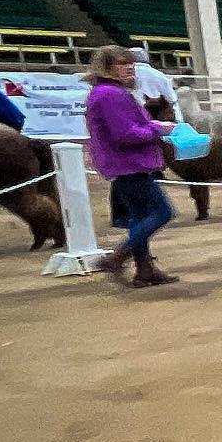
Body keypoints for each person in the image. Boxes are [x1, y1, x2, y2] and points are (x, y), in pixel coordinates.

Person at [84, 45, 178, 287]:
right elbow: (125, 134)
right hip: (131, 164)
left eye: (131, 64)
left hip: (125, 164)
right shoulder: (110, 94)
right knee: (162, 212)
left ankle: (144, 269)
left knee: (140, 216)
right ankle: (118, 257)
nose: (129, 68)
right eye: (122, 63)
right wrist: (158, 129)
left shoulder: (105, 93)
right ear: (107, 67)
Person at [128, 47, 179, 118]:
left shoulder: (125, 74)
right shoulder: (160, 75)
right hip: (161, 118)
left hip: (134, 116)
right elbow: (172, 99)